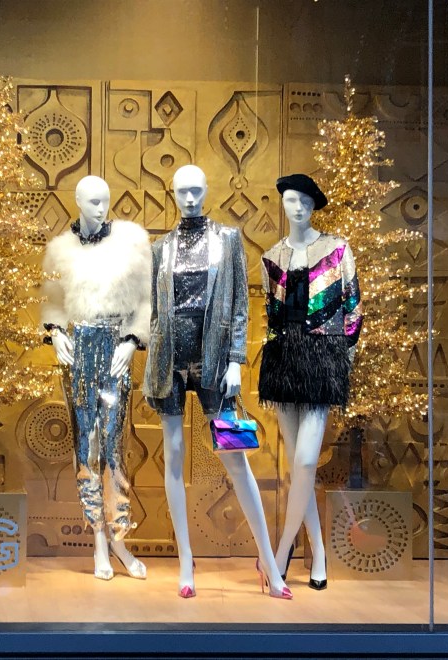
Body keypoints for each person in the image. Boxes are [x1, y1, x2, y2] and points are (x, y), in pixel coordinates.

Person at [143, 164, 291, 600]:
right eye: (182, 192)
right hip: (170, 361)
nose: (189, 198)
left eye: (196, 190)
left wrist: (235, 360)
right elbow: (156, 311)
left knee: (235, 459)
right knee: (173, 456)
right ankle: (185, 560)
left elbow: (241, 304)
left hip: (214, 361)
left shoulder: (227, 239)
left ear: (207, 191)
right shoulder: (160, 248)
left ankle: (268, 561)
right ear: (173, 194)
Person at [41, 175, 151, 580]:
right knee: (85, 445)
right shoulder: (60, 250)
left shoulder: (130, 242)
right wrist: (56, 332)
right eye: (92, 201)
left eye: (105, 200)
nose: (100, 208)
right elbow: (52, 301)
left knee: (115, 445)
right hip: (79, 349)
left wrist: (133, 339)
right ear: (77, 201)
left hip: (115, 347)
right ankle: (99, 542)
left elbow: (145, 300)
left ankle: (119, 537)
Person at [259, 173, 363, 591]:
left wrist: (343, 357)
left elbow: (353, 305)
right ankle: (318, 552)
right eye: (290, 199)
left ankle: (282, 550)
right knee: (296, 468)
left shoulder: (336, 249)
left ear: (314, 204)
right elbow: (271, 315)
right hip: (284, 360)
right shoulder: (271, 257)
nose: (298, 207)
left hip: (323, 359)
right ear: (282, 204)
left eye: (304, 200)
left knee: (305, 462)